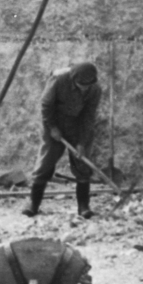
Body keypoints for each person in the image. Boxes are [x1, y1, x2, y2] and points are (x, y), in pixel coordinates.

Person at [24, 62, 101, 219]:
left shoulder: (95, 88)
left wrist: (81, 142)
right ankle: (33, 203)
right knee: (46, 162)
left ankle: (83, 206)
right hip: (54, 121)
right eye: (81, 85)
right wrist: (52, 128)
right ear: (73, 79)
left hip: (77, 124)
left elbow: (88, 117)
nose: (85, 88)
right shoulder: (58, 80)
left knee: (82, 162)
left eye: (88, 85)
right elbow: (46, 105)